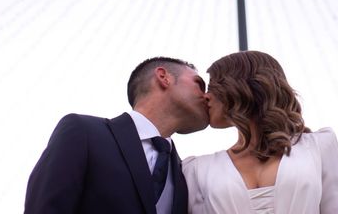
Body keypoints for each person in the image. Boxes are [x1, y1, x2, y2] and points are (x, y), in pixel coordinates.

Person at [24, 56, 209, 214]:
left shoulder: (185, 173)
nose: (207, 96)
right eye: (199, 84)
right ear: (163, 77)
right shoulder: (83, 132)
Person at [183, 50, 338, 213]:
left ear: (240, 87)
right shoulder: (196, 170)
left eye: (213, 86)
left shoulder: (319, 146)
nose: (206, 96)